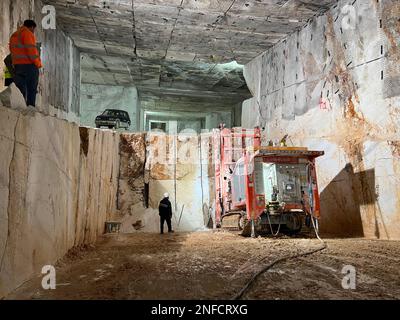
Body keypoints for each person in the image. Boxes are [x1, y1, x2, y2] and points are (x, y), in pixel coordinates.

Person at [9, 20, 43, 107]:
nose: (33, 32)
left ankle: (20, 108)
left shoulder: (14, 35)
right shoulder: (27, 33)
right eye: (33, 30)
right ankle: (30, 110)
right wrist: (39, 64)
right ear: (31, 27)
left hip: (18, 67)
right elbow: (32, 52)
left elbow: (12, 51)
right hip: (29, 67)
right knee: (32, 90)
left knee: (21, 90)